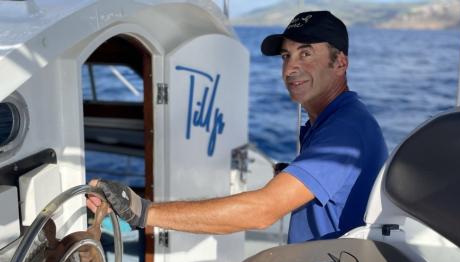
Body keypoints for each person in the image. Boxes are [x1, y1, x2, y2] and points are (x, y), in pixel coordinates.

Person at [87, 11, 388, 244]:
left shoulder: (346, 129)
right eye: (286, 56)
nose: (290, 68)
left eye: (306, 53)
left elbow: (263, 211)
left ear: (340, 62)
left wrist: (142, 211)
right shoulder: (333, 120)